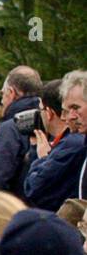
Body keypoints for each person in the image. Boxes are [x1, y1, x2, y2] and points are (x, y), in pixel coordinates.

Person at [25, 72, 87, 211]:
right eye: (66, 110)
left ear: (48, 112)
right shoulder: (79, 143)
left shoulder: (73, 144)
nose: (69, 117)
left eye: (76, 108)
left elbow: (34, 188)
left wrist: (42, 158)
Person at [0, 65, 41, 194]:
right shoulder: (52, 122)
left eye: (2, 93)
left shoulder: (10, 129)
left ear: (11, 93)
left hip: (10, 208)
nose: (1, 100)